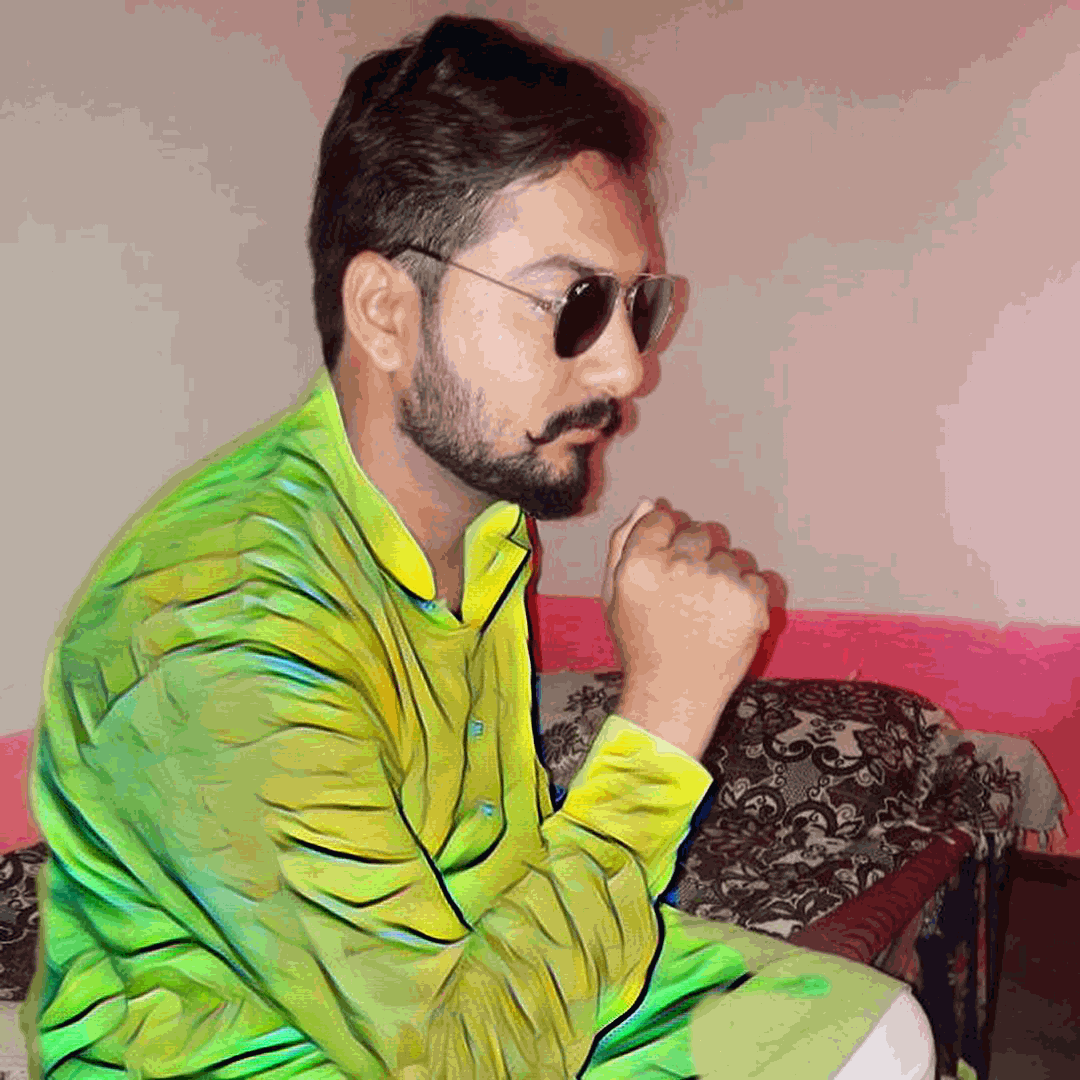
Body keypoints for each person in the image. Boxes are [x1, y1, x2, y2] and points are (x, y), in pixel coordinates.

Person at [24, 15, 934, 1079]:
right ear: (385, 312)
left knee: (869, 1030)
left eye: (635, 305)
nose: (627, 370)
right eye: (571, 303)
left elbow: (495, 883)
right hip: (250, 1053)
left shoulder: (488, 527)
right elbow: (465, 1062)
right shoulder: (218, 629)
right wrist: (663, 717)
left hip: (454, 993)